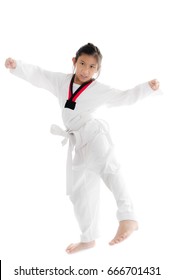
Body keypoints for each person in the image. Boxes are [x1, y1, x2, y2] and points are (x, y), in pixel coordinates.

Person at [5, 43, 160, 254]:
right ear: (74, 61)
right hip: (77, 142)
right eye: (82, 63)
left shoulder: (98, 89)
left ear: (98, 70)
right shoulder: (62, 81)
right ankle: (88, 238)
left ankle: (128, 217)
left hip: (93, 135)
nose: (86, 70)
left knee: (110, 170)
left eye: (92, 67)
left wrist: (146, 89)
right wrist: (17, 67)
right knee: (81, 192)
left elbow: (123, 97)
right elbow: (40, 75)